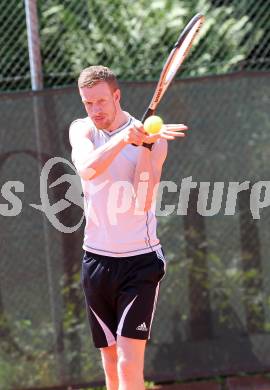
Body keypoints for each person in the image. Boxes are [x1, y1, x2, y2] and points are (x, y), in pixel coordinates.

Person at [69, 65, 188, 390]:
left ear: (116, 96)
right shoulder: (82, 130)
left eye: (101, 102)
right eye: (88, 103)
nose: (95, 110)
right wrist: (124, 139)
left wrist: (147, 149)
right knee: (109, 359)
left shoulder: (153, 140)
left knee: (128, 360)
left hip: (140, 262)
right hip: (95, 260)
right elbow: (88, 169)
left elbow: (142, 202)